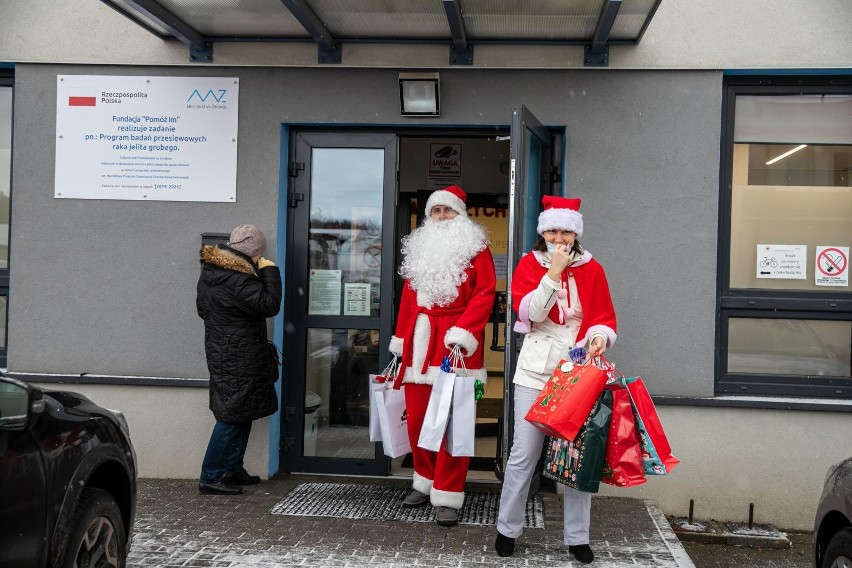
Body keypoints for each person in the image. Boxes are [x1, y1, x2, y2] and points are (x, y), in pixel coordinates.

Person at [494, 196, 617, 564]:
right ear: (542, 232)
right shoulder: (530, 264)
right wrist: (552, 274)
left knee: (578, 456)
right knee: (524, 453)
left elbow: (603, 317)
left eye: (565, 230)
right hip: (534, 367)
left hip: (577, 369)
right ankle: (506, 528)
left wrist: (598, 337)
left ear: (575, 233)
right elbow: (530, 313)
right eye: (552, 230)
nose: (558, 237)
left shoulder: (593, 269)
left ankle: (577, 537)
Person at [389, 185, 497, 527]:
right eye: (435, 211)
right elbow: (408, 302)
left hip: (455, 345)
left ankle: (448, 493)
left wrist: (464, 334)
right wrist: (401, 340)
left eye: (447, 211)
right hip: (419, 346)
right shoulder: (420, 250)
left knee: (452, 424)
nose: (441, 216)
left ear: (460, 215)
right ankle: (424, 479)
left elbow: (485, 293)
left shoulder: (476, 249)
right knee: (419, 420)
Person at [196, 224, 283, 495]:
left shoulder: (213, 274)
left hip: (227, 352)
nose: (260, 259)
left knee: (240, 412)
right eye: (259, 255)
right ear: (252, 253)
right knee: (231, 417)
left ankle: (232, 469)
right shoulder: (238, 279)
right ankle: (210, 476)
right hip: (237, 356)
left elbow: (203, 311)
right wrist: (269, 271)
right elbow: (270, 304)